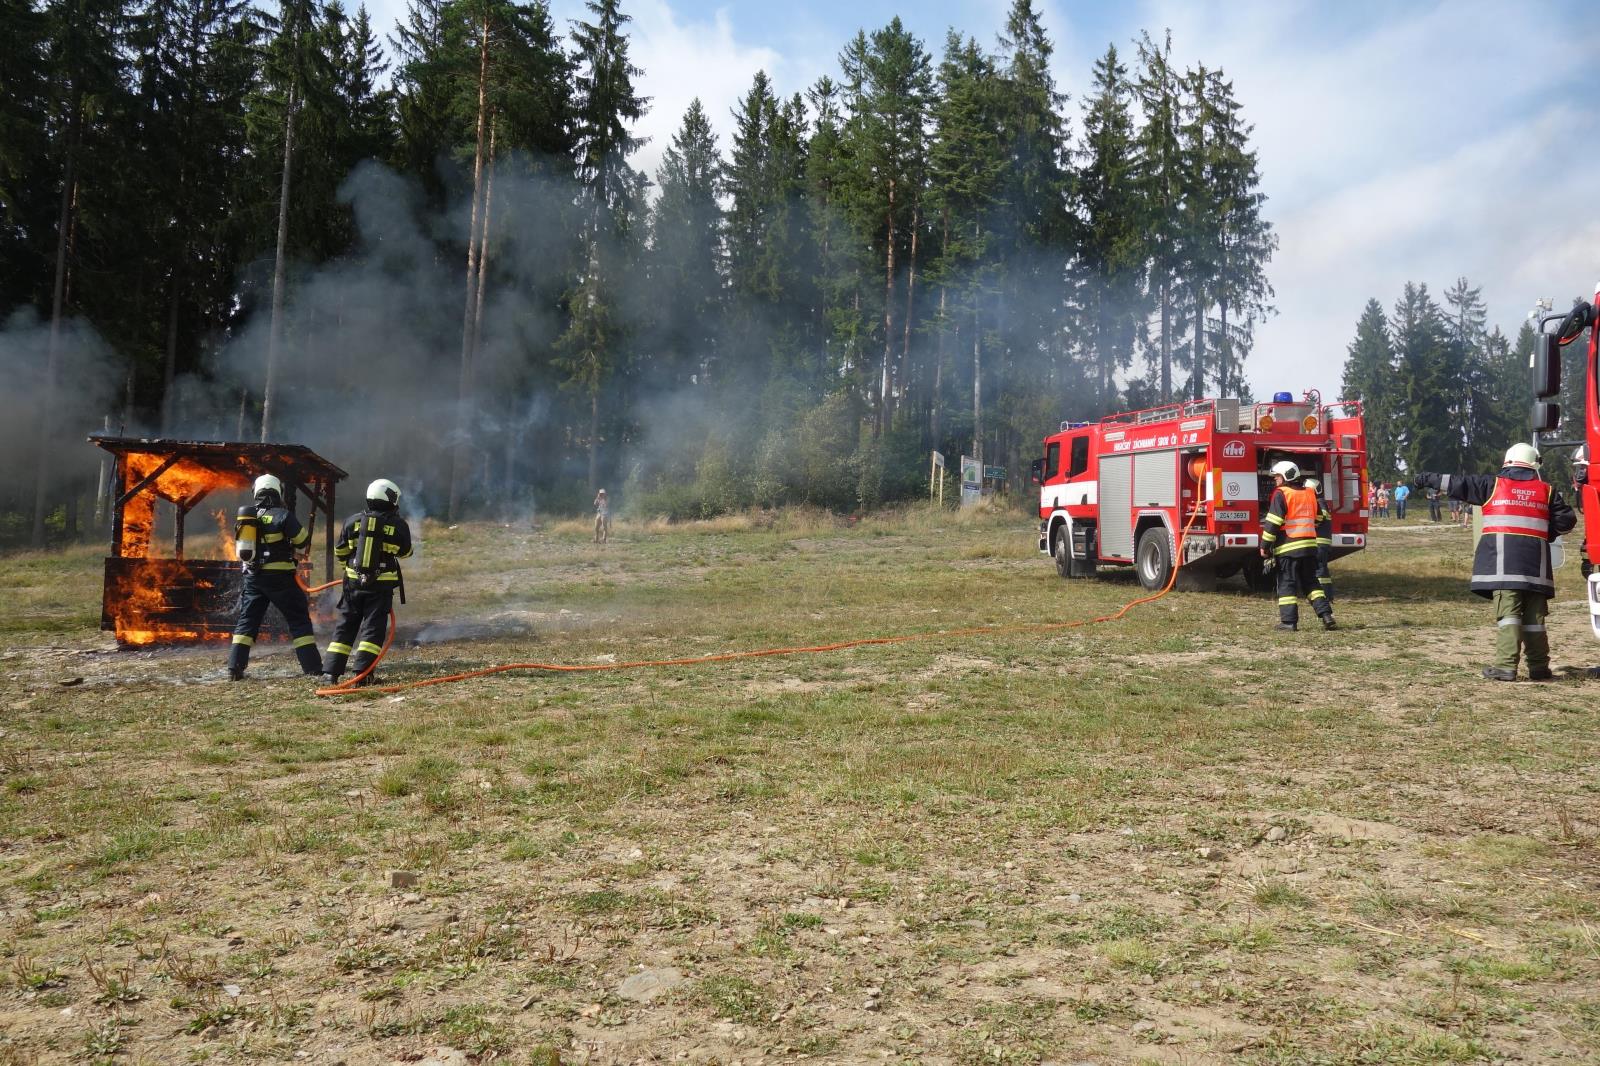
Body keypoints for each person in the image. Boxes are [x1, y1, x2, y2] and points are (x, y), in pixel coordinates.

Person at [1414, 443, 1576, 681]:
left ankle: (1505, 667)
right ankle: (1539, 668)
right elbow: (1567, 520)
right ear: (1533, 465)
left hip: (1504, 565)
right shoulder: (1547, 491)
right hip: (1536, 567)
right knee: (1535, 620)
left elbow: (1458, 483)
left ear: (1508, 462)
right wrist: (1546, 533)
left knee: (1509, 614)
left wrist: (1426, 478)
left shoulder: (1492, 485)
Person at [227, 474, 321, 680]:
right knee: (298, 620)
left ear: (257, 492)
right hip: (280, 579)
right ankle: (312, 668)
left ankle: (235, 667)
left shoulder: (247, 519)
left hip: (253, 578)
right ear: (277, 492)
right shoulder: (282, 515)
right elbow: (302, 540)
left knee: (247, 621)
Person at [320, 479, 412, 686]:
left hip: (352, 585)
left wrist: (352, 570)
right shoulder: (398, 525)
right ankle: (363, 674)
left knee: (345, 626)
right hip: (380, 587)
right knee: (373, 628)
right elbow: (406, 552)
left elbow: (340, 552)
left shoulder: (352, 521)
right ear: (391, 499)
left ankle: (331, 673)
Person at [1260, 460, 1337, 632]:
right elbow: (1318, 519)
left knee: (1287, 584)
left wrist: (1264, 546)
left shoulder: (1281, 494)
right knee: (1311, 583)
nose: (1275, 480)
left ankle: (1289, 622)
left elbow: (1272, 522)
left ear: (1286, 476)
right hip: (1310, 547)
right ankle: (1326, 615)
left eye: (1277, 476)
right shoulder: (1309, 493)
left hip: (1288, 548)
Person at [1304, 476, 1336, 603]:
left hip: (1320, 542)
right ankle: (1327, 595)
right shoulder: (1322, 501)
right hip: (1323, 542)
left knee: (1319, 570)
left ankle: (1323, 597)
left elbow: (1320, 518)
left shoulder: (1319, 502)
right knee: (1323, 570)